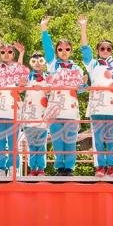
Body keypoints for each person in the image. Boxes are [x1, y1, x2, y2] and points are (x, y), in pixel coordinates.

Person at [78, 15, 113, 177]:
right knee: (97, 138)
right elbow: (85, 49)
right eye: (102, 48)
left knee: (112, 138)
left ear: (112, 51)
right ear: (98, 51)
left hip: (112, 106)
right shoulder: (93, 64)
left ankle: (112, 166)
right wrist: (83, 27)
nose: (105, 51)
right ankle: (100, 166)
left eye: (108, 49)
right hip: (96, 106)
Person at [41, 17, 84, 176]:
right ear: (57, 51)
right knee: (57, 141)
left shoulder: (77, 68)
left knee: (70, 141)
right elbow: (47, 48)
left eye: (67, 49)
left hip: (71, 110)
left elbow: (81, 89)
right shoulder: (52, 65)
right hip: (55, 109)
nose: (64, 52)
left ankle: (69, 168)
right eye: (60, 49)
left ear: (71, 51)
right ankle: (60, 167)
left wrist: (83, 84)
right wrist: (44, 29)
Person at [0, 36, 25, 177]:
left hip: (13, 111)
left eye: (10, 52)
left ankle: (13, 168)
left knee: (13, 143)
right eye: (3, 52)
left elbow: (20, 73)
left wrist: (22, 53)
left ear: (13, 54)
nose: (6, 54)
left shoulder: (16, 69)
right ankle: (0, 169)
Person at [21, 51, 50, 176]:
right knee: (32, 145)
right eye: (34, 61)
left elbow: (50, 92)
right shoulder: (27, 77)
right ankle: (33, 168)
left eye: (40, 61)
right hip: (28, 115)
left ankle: (41, 169)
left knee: (41, 144)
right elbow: (20, 89)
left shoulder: (49, 77)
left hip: (43, 115)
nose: (37, 63)